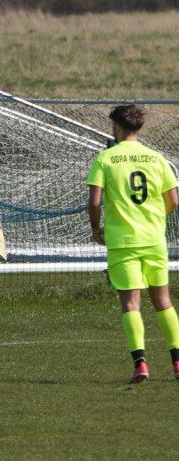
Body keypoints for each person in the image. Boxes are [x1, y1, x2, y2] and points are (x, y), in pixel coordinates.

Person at [87, 105, 179, 384]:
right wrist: (151, 218)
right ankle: (177, 363)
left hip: (122, 240)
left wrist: (95, 228)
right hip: (153, 239)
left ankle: (140, 364)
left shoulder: (105, 158)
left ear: (117, 126)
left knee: (131, 303)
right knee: (163, 301)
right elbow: (173, 200)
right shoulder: (156, 158)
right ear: (138, 128)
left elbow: (94, 202)